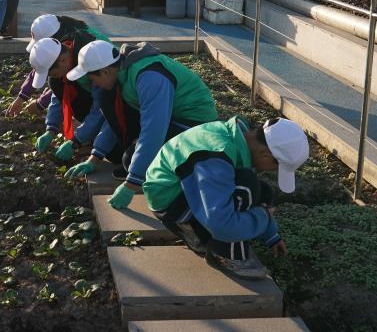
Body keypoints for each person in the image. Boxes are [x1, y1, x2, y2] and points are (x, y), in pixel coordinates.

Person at [143, 116, 309, 280]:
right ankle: (224, 254)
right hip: (169, 201)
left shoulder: (237, 137)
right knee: (247, 186)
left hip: (180, 188)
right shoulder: (215, 157)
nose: (272, 171)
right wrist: (263, 217)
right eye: (276, 167)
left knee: (262, 189)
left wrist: (270, 235)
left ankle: (197, 230)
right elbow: (220, 224)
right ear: (265, 153)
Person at [63, 41, 219, 209]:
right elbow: (114, 120)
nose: (93, 85)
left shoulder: (149, 77)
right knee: (130, 158)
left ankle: (187, 190)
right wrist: (95, 158)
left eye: (93, 79)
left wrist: (132, 184)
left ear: (105, 71)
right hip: (171, 117)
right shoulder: (122, 73)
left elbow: (153, 131)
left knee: (131, 161)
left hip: (195, 123)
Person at [26, 34, 111, 161]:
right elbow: (58, 96)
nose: (53, 77)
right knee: (54, 83)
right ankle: (89, 136)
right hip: (95, 99)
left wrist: (76, 140)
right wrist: (51, 128)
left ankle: (91, 138)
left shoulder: (90, 63)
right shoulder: (64, 56)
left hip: (116, 103)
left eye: (53, 73)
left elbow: (100, 108)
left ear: (63, 60)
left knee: (114, 153)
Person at [6, 14, 108, 118]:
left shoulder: (83, 52)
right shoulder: (65, 44)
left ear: (53, 38)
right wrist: (22, 97)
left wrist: (41, 103)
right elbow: (42, 67)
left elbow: (63, 86)